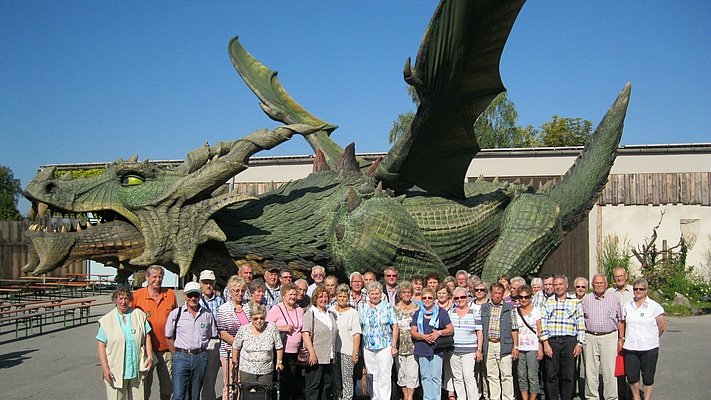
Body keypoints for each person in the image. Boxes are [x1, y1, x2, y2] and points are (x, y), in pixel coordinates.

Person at [130, 265, 177, 400]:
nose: (158, 279)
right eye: (154, 276)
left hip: (166, 349)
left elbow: (176, 319)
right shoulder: (137, 296)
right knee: (143, 388)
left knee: (167, 386)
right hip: (145, 350)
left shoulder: (170, 294)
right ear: (147, 278)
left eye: (160, 276)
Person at [97, 286, 153, 400]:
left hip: (136, 368)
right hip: (115, 370)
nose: (123, 302)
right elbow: (101, 345)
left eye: (126, 298)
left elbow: (147, 336)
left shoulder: (139, 315)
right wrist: (105, 368)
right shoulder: (107, 320)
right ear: (115, 299)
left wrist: (150, 357)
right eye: (120, 298)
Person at [165, 281, 218, 400]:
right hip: (181, 357)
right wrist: (177, 354)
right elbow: (169, 337)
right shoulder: (176, 314)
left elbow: (211, 335)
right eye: (190, 295)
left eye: (196, 295)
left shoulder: (207, 315)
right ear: (184, 295)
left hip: (200, 357)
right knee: (179, 394)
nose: (193, 298)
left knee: (194, 395)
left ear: (200, 295)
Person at [540, 275, 586, 400]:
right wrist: (545, 343)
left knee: (568, 375)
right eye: (555, 285)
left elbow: (580, 323)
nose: (558, 287)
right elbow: (543, 323)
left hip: (569, 342)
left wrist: (579, 343)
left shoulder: (575, 302)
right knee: (551, 375)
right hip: (552, 342)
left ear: (566, 285)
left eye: (561, 284)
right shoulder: (548, 302)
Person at [621, 277, 665, 400]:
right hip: (631, 347)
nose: (638, 291)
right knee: (632, 376)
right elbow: (622, 322)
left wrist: (651, 337)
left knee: (648, 377)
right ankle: (636, 397)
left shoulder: (654, 306)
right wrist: (622, 338)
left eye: (641, 289)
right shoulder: (627, 306)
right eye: (635, 289)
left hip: (649, 347)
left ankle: (647, 398)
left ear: (646, 290)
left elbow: (661, 326)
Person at [581, 273, 623, 400]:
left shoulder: (614, 298)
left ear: (606, 284)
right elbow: (580, 319)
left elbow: (621, 319)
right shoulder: (586, 299)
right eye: (596, 283)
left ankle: (611, 397)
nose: (599, 285)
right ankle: (592, 397)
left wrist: (621, 338)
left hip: (609, 337)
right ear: (592, 285)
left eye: (601, 283)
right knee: (590, 370)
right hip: (590, 337)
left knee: (609, 371)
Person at [411, 287, 454, 400]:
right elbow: (413, 332)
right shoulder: (417, 314)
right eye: (424, 298)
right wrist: (424, 337)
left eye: (430, 297)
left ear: (434, 298)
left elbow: (450, 329)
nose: (427, 300)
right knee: (425, 376)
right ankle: (427, 398)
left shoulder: (441, 312)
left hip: (436, 349)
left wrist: (438, 333)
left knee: (435, 377)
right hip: (422, 347)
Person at [359, 281, 399, 400]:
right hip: (367, 347)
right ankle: (375, 397)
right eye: (372, 294)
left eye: (377, 293)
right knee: (372, 375)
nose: (374, 296)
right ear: (368, 295)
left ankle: (384, 397)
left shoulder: (387, 306)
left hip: (385, 346)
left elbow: (395, 326)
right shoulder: (362, 308)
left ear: (381, 294)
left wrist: (393, 346)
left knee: (384, 375)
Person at [266, 282, 304, 400]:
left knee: (291, 382)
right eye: (290, 294)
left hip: (295, 352)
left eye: (294, 294)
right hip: (280, 352)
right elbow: (267, 326)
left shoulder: (300, 310)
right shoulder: (277, 309)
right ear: (283, 295)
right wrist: (282, 328)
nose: (293, 296)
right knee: (280, 381)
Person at [481, 282, 519, 400]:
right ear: (490, 294)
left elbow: (515, 328)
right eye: (495, 293)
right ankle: (495, 398)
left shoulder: (509, 308)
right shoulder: (485, 307)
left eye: (500, 293)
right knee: (492, 375)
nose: (497, 296)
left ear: (503, 294)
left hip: (504, 345)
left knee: (506, 375)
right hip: (489, 344)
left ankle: (508, 398)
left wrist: (515, 346)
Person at [217, 276, 251, 400]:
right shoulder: (223, 309)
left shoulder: (248, 307)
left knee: (241, 384)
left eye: (242, 290)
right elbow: (223, 333)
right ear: (230, 291)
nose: (240, 293)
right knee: (229, 384)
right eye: (236, 290)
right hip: (229, 352)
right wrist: (239, 345)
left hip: (246, 354)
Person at [302, 285, 339, 400]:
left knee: (326, 387)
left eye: (325, 297)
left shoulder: (330, 314)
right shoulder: (311, 313)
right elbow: (305, 334)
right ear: (315, 299)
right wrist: (312, 353)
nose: (323, 299)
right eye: (320, 297)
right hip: (316, 357)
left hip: (328, 357)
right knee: (313, 387)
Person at [231, 304, 284, 383]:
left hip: (266, 369)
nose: (259, 321)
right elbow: (235, 347)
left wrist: (279, 362)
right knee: (248, 393)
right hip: (247, 369)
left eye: (262, 318)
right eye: (256, 318)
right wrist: (235, 362)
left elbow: (279, 347)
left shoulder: (271, 327)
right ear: (251, 318)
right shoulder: (243, 329)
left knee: (264, 394)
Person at [448, 287, 483, 400]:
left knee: (468, 376)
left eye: (462, 297)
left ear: (467, 298)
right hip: (454, 350)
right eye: (457, 298)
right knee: (457, 377)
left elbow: (479, 332)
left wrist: (479, 350)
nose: (460, 300)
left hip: (469, 351)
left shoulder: (474, 313)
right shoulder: (451, 312)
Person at [330, 283, 362, 400]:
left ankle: (347, 398)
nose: (342, 299)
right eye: (340, 296)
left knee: (347, 378)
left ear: (348, 298)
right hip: (334, 352)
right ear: (336, 297)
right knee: (336, 379)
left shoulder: (352, 313)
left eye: (344, 297)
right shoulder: (331, 311)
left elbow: (356, 334)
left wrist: (355, 352)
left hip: (347, 351)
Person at [197, 270, 224, 400]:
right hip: (198, 342)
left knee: (210, 379)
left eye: (210, 283)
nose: (208, 286)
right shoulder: (195, 300)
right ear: (200, 283)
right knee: (196, 379)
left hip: (214, 341)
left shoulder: (220, 301)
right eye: (205, 283)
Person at [394, 281, 421, 400]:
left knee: (413, 372)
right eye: (403, 292)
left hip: (413, 346)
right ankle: (405, 395)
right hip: (399, 346)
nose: (406, 294)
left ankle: (410, 397)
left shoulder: (417, 308)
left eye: (408, 292)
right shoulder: (394, 309)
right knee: (401, 373)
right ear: (399, 294)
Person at [515, 285, 542, 400]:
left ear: (530, 297)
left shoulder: (536, 310)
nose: (524, 299)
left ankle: (533, 398)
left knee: (532, 375)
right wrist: (515, 346)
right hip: (520, 347)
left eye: (526, 297)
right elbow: (514, 330)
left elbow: (540, 330)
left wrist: (540, 347)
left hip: (533, 347)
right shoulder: (515, 311)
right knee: (521, 376)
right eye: (521, 297)